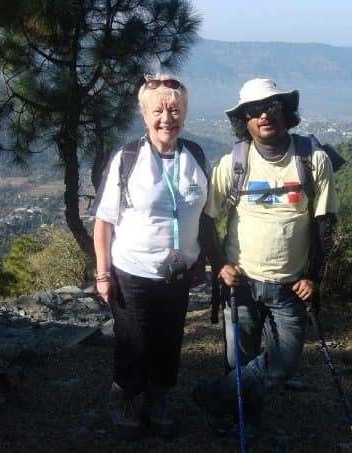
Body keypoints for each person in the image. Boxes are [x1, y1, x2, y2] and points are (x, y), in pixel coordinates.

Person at [193, 78, 339, 440]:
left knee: (284, 363)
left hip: (290, 286)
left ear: (285, 111)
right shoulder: (234, 163)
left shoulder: (312, 159)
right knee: (239, 361)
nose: (263, 115)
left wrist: (314, 277)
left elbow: (325, 223)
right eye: (253, 111)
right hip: (241, 282)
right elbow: (207, 217)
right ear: (244, 121)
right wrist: (218, 265)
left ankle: (215, 397)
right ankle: (248, 419)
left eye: (271, 106)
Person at [93, 74, 208, 440]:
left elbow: (203, 214)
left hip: (178, 273)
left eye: (174, 109)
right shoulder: (128, 158)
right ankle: (123, 397)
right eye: (157, 109)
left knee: (169, 339)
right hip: (133, 271)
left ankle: (158, 400)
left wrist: (200, 261)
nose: (166, 117)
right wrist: (102, 274)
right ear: (144, 115)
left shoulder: (196, 155)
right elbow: (104, 221)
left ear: (184, 114)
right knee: (134, 341)